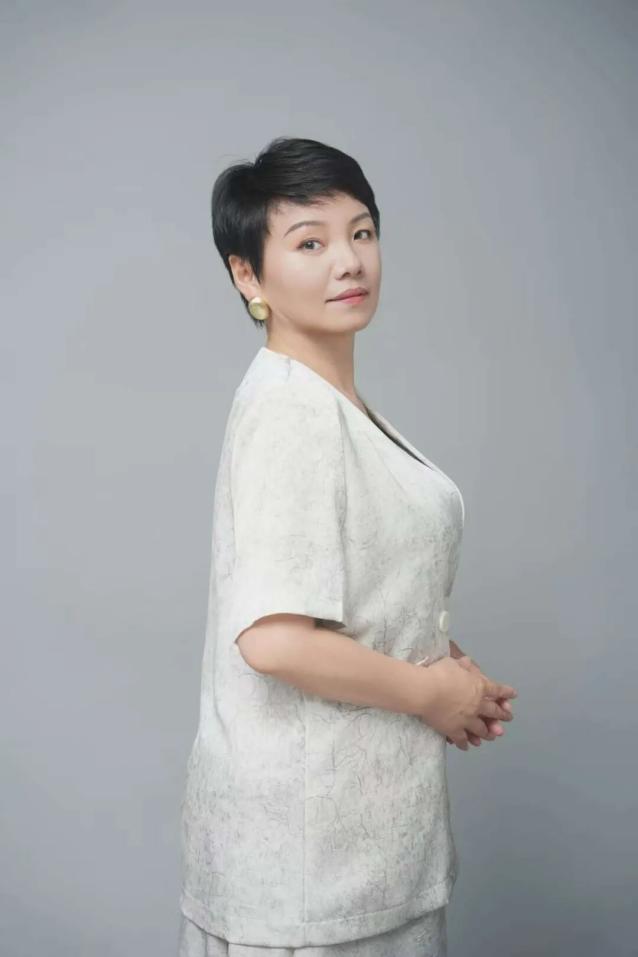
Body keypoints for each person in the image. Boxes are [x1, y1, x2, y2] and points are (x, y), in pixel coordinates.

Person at [177, 136, 518, 957]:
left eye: (361, 232)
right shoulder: (290, 411)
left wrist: (448, 668)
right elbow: (274, 637)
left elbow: (352, 591)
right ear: (248, 276)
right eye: (310, 242)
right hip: (310, 865)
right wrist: (429, 692)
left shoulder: (329, 404)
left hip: (354, 849)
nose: (348, 260)